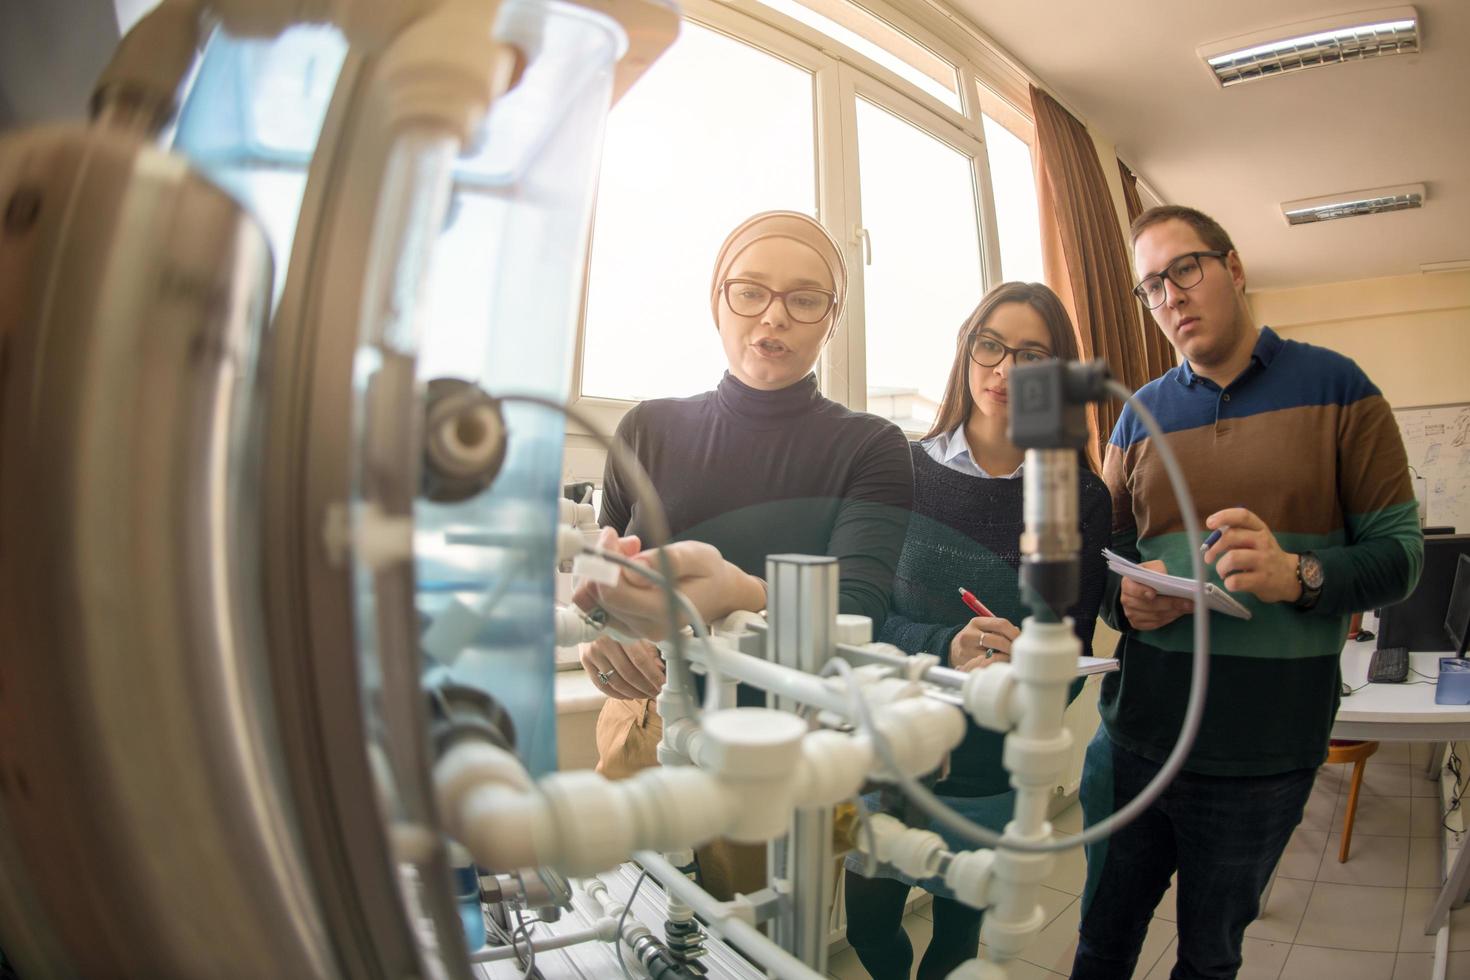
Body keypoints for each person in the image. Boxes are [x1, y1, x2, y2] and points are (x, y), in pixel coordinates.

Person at [1072, 205, 1424, 980]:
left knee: (1209, 959)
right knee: (1100, 946)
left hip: (1262, 755)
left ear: (1234, 268)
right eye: (1151, 287)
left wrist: (1298, 575)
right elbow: (1104, 560)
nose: (1171, 298)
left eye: (1185, 270)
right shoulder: (1136, 420)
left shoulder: (1341, 391)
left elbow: (1401, 559)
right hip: (1137, 738)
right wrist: (1125, 600)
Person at [578, 210, 914, 897]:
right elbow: (598, 570)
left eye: (805, 298)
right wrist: (598, 630)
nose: (775, 316)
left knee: (755, 946)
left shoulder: (872, 447)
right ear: (717, 299)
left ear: (832, 317)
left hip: (778, 743)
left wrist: (734, 590)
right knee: (624, 924)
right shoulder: (646, 429)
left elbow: (856, 610)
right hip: (641, 721)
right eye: (750, 291)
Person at [842, 282, 1112, 980]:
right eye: (990, 345)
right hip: (891, 742)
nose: (1004, 371)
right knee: (871, 926)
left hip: (991, 762)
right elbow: (858, 617)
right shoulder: (899, 467)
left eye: (1031, 355)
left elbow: (1075, 649)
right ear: (966, 351)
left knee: (956, 940)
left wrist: (1036, 663)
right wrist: (945, 647)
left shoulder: (1078, 496)